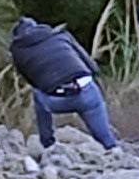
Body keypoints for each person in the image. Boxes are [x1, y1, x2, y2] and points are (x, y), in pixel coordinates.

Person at [9, 17, 117, 151]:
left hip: (55, 99)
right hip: (86, 91)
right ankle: (113, 149)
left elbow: (32, 80)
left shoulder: (17, 51)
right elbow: (92, 67)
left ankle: (48, 145)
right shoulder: (61, 36)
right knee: (106, 139)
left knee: (38, 96)